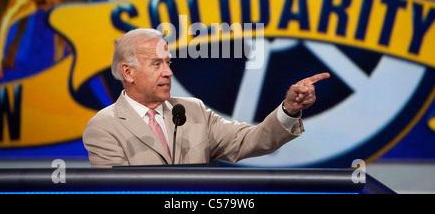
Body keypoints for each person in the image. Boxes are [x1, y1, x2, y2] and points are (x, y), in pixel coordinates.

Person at [82, 28, 330, 167]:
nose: (168, 72)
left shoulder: (192, 111)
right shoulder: (105, 126)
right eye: (156, 64)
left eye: (168, 63)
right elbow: (117, 190)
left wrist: (288, 110)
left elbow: (251, 140)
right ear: (128, 72)